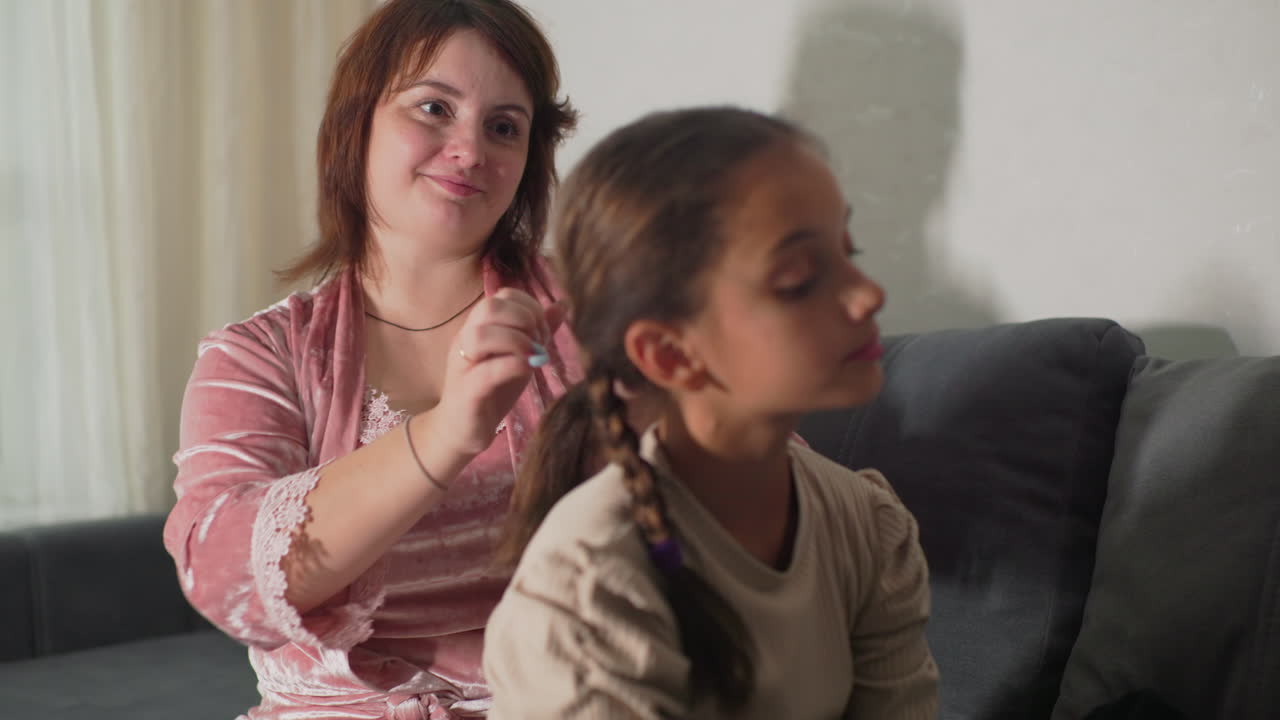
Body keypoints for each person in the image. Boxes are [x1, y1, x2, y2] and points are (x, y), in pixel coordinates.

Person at [162, 1, 578, 717]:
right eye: (433, 108)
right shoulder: (257, 355)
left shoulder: (595, 312)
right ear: (356, 126)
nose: (470, 149)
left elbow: (730, 520)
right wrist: (448, 434)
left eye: (504, 127)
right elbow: (228, 579)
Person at [483, 107, 940, 719]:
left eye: (847, 251)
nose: (868, 293)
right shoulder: (589, 598)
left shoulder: (866, 526)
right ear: (670, 354)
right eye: (800, 278)